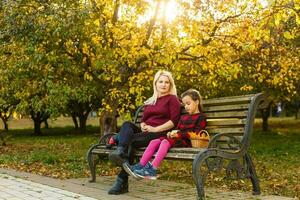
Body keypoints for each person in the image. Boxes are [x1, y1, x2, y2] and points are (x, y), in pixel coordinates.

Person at [108, 70, 181, 195]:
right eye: (161, 82)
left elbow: (173, 122)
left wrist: (154, 129)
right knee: (127, 125)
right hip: (146, 132)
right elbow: (144, 120)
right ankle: (120, 151)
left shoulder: (172, 99)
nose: (163, 85)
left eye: (167, 82)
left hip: (160, 134)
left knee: (130, 140)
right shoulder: (151, 100)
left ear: (170, 84)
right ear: (155, 83)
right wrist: (143, 125)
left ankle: (121, 180)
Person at [123, 89, 206, 180]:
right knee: (154, 141)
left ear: (197, 101)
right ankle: (140, 165)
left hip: (187, 141)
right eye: (184, 104)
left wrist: (178, 134)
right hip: (177, 139)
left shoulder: (200, 117)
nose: (186, 107)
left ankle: (152, 169)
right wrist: (172, 132)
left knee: (165, 142)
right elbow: (177, 129)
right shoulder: (183, 117)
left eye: (188, 103)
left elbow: (196, 134)